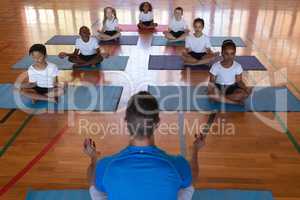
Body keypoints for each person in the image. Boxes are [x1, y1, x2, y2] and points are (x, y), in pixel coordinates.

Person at [83, 91, 206, 200]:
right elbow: (193, 176)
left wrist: (94, 158)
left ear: (126, 122)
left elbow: (92, 180)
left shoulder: (106, 165)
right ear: (157, 124)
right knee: (186, 186)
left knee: (97, 189)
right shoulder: (177, 164)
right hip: (177, 169)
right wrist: (195, 150)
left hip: (104, 168)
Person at [208, 40, 252, 105]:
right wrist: (211, 90)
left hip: (232, 87)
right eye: (226, 53)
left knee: (244, 94)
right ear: (222, 53)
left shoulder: (237, 66)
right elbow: (211, 82)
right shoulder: (215, 66)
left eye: (232, 54)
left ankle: (221, 99)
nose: (229, 56)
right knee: (212, 94)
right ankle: (234, 102)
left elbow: (239, 81)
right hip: (219, 87)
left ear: (235, 54)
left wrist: (245, 88)